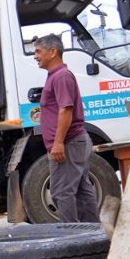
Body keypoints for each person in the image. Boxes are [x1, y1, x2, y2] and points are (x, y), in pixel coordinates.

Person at [33, 34, 100, 223]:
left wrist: (58, 143)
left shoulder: (61, 76)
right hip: (73, 141)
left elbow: (66, 110)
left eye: (38, 51)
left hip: (69, 142)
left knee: (61, 193)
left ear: (53, 52)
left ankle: (73, 240)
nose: (35, 56)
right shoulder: (56, 76)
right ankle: (92, 236)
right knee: (81, 191)